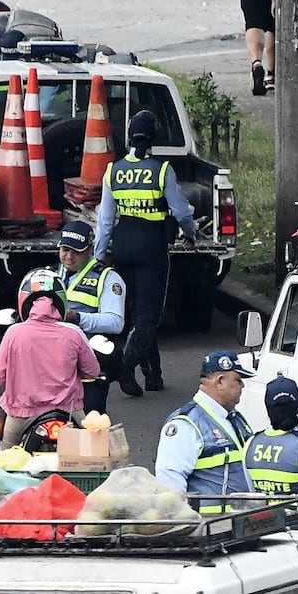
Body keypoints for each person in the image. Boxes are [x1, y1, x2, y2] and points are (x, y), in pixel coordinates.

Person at [94, 109, 196, 399]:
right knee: (149, 317)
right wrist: (191, 233)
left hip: (123, 247)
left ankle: (153, 375)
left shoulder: (113, 171)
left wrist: (99, 258)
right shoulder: (162, 170)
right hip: (152, 248)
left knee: (137, 314)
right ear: (154, 138)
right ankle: (123, 369)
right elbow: (180, 212)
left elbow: (105, 221)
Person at [0, 271, 99, 449]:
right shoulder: (73, 333)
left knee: (4, 461)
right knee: (95, 454)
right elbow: (92, 372)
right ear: (61, 303)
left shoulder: (13, 333)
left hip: (21, 416)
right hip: (69, 413)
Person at [155, 351, 255, 512]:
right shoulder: (186, 424)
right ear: (220, 381)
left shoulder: (235, 418)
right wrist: (184, 524)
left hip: (239, 525)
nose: (242, 385)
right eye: (238, 380)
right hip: (212, 527)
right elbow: (170, 483)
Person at [54, 218, 125, 416]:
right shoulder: (49, 274)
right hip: (51, 355)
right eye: (65, 250)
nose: (69, 256)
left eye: (76, 251)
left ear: (90, 249)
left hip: (86, 356)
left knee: (91, 419)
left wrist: (77, 317)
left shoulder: (107, 277)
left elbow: (115, 322)